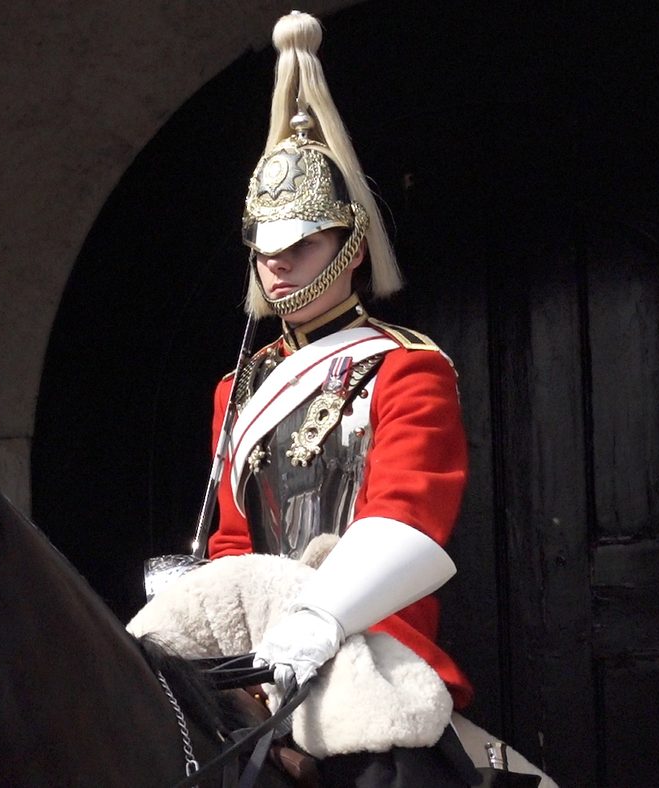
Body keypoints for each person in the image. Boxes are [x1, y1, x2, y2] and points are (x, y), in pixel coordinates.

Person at [204, 11, 478, 786]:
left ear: (351, 246)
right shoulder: (239, 386)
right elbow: (233, 543)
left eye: (303, 244)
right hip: (259, 666)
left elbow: (408, 517)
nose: (280, 265)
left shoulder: (406, 368)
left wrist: (319, 619)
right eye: (267, 248)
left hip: (371, 652)